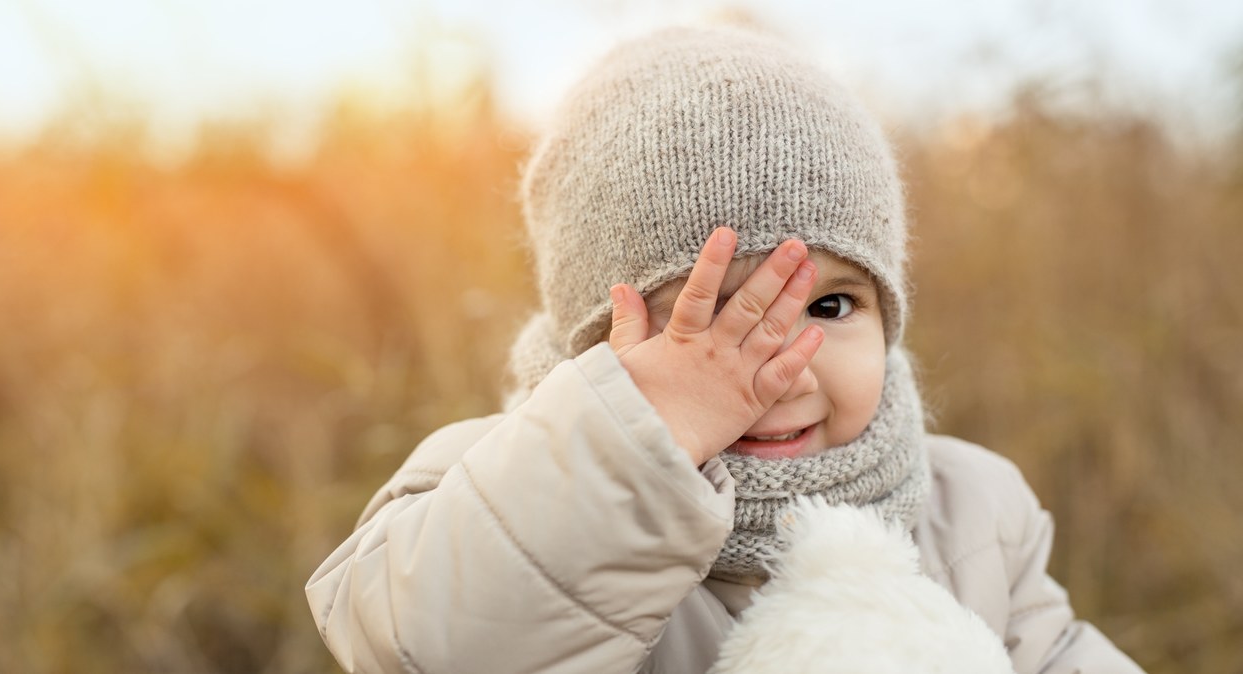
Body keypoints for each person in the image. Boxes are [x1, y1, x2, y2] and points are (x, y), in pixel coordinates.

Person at [305, 24, 1145, 673]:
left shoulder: (971, 509)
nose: (774, 371)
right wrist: (632, 448)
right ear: (597, 339)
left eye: (829, 302)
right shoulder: (496, 483)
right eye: (703, 324)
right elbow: (429, 646)